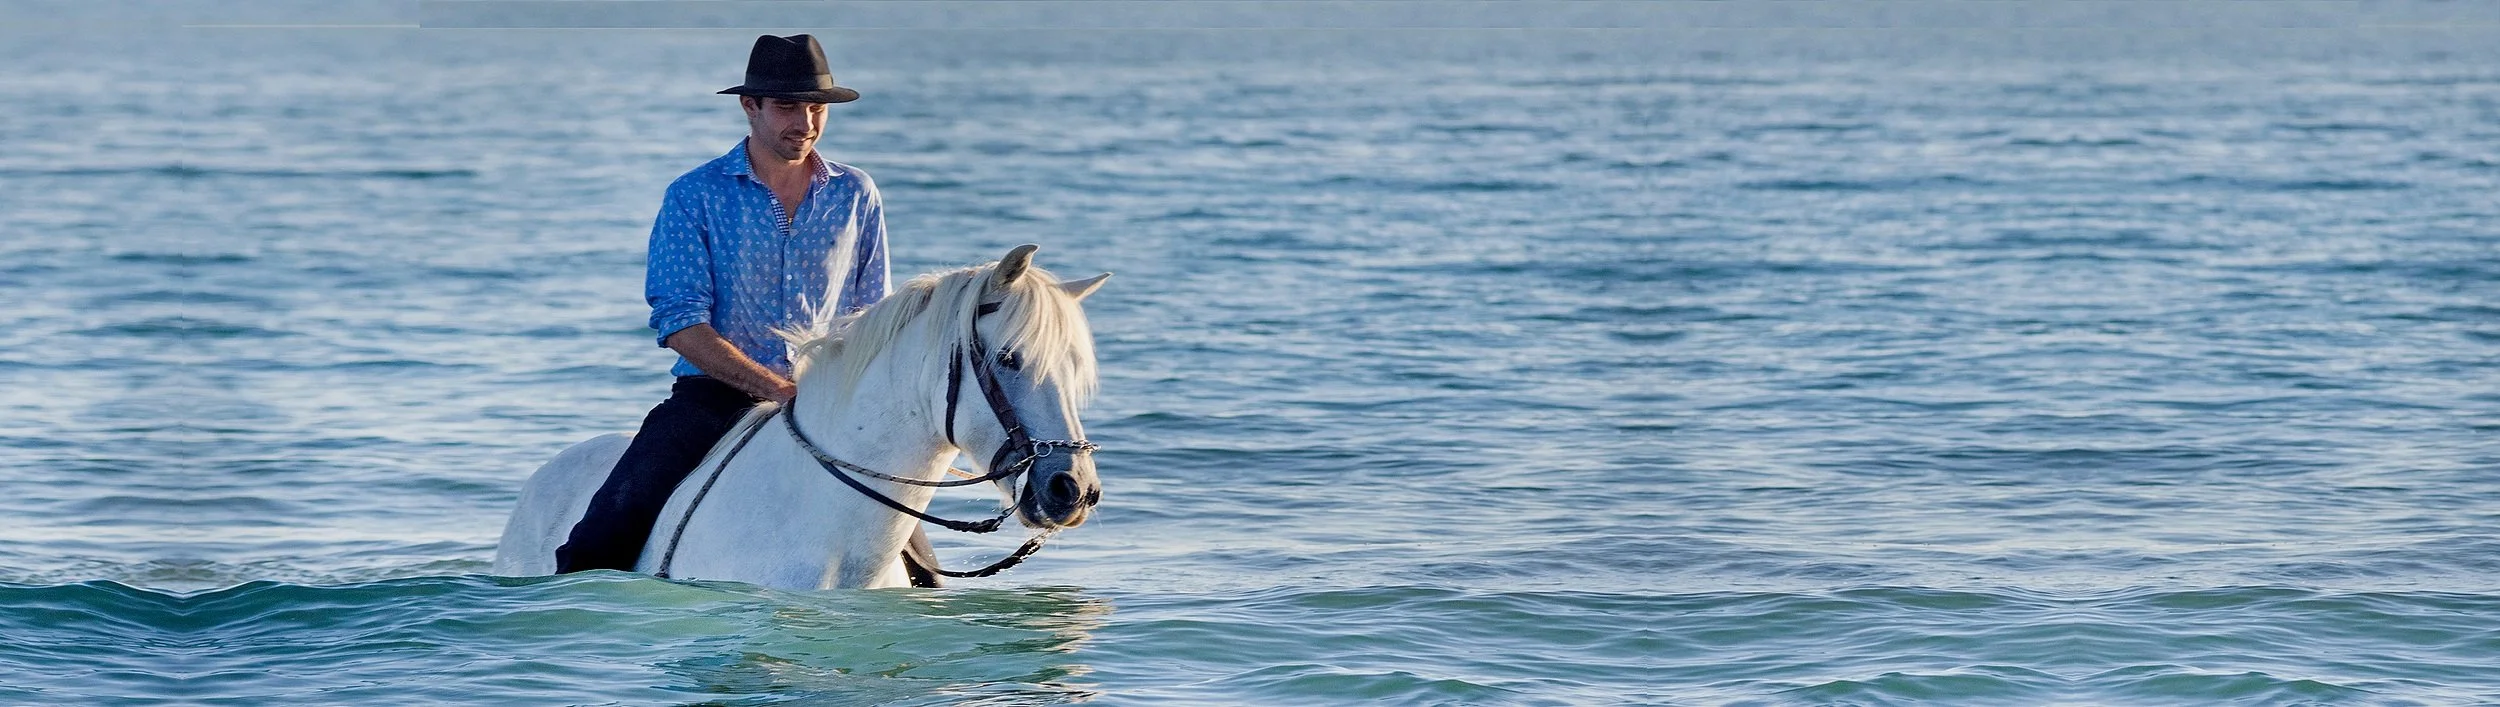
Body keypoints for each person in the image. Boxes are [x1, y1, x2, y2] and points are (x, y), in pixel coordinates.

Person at [556, 34, 891, 573]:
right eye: (787, 106)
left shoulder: (856, 193)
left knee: (916, 560)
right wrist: (777, 390)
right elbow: (681, 322)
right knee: (602, 537)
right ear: (749, 106)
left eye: (816, 107)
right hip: (712, 398)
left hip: (831, 403)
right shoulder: (695, 195)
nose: (805, 122)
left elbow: (872, 315)